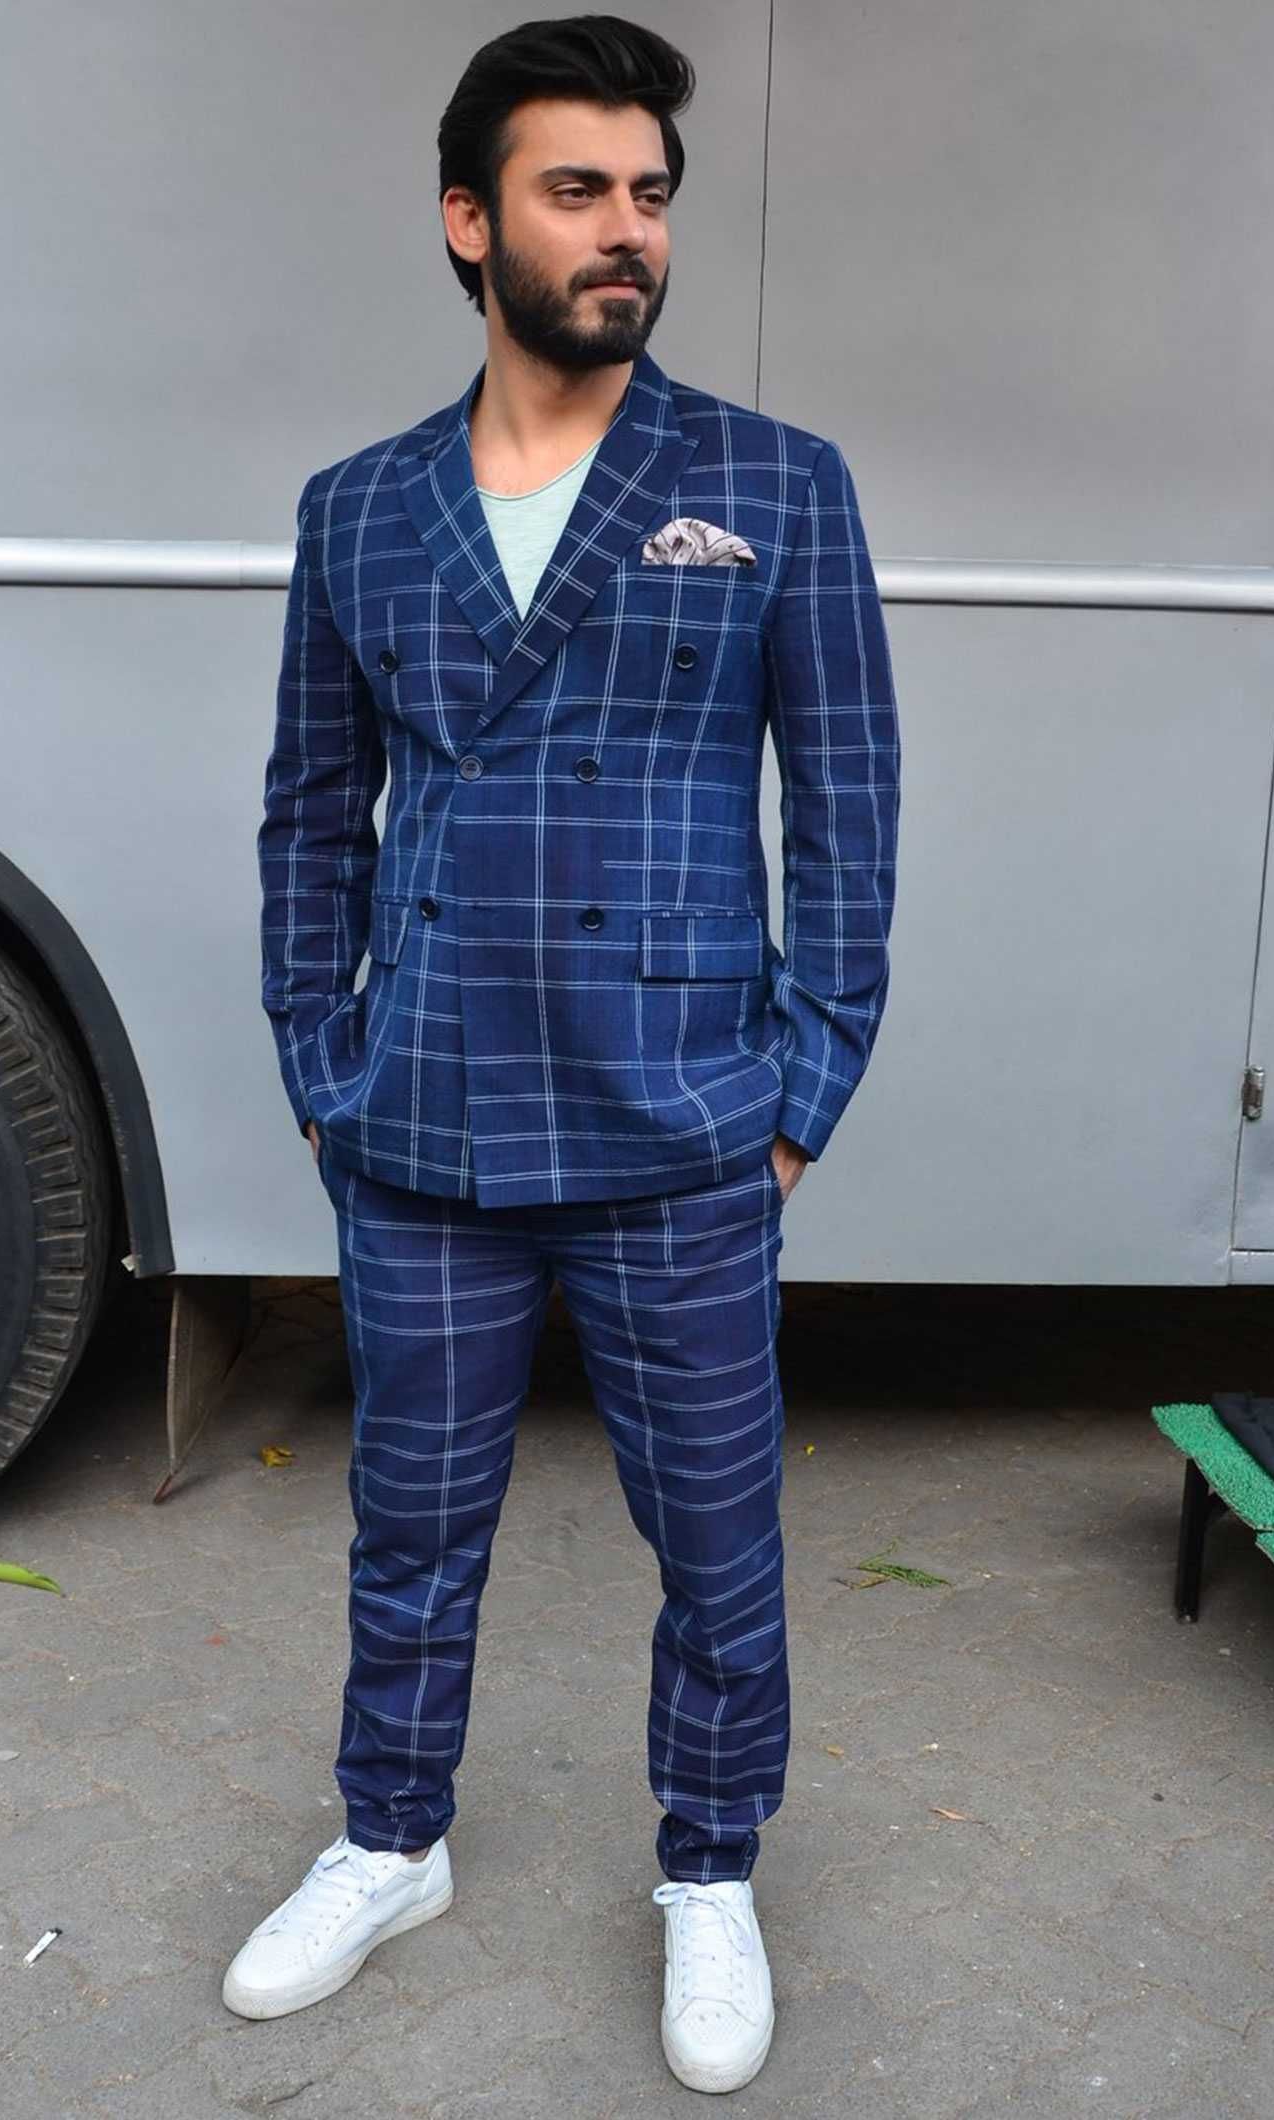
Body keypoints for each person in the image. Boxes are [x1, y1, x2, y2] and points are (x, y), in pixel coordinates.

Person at [228, 14, 900, 2096]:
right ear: (469, 221)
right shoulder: (361, 508)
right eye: (578, 190)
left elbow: (849, 810)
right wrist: (321, 1066)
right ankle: (389, 1839)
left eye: (651, 195)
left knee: (716, 1541)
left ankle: (710, 1870)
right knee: (412, 1524)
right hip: (424, 1119)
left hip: (682, 1121)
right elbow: (307, 814)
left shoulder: (773, 484)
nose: (629, 233)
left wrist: (800, 1096)